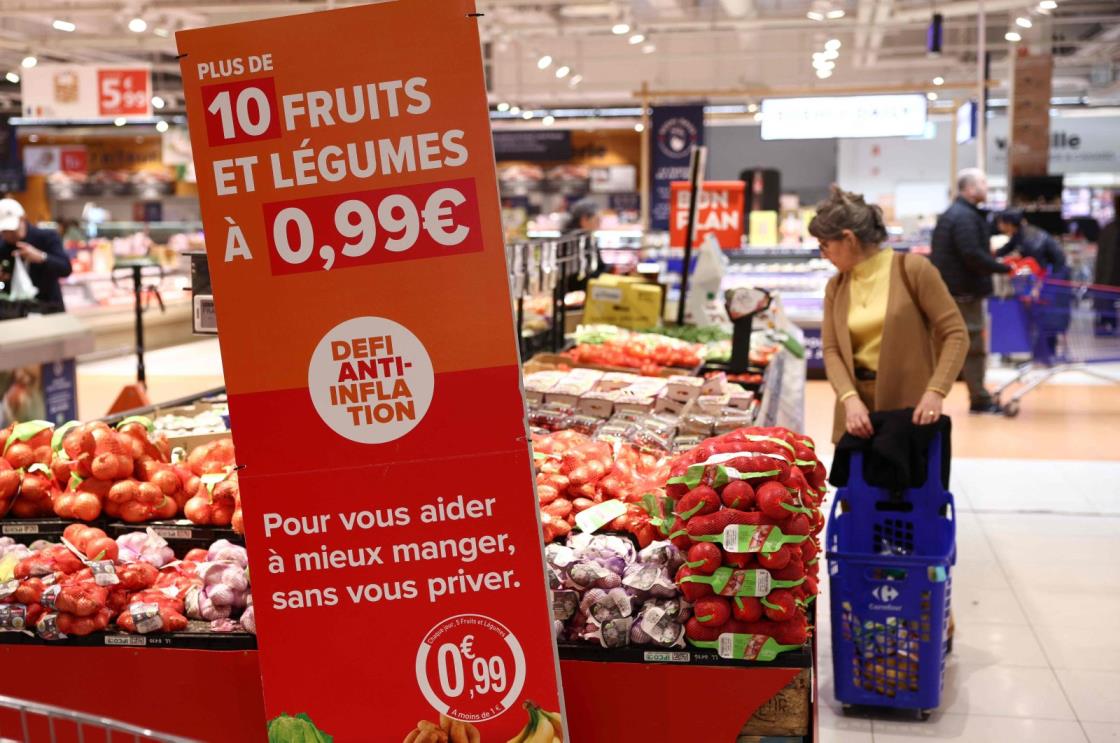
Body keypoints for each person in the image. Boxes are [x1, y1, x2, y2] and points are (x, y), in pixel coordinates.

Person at [814, 186, 968, 443]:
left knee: (907, 482)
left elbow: (956, 333)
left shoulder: (913, 270)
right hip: (856, 418)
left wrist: (936, 391)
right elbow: (831, 350)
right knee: (858, 483)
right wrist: (849, 399)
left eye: (825, 245)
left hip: (911, 413)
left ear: (849, 239)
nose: (823, 254)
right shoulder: (836, 286)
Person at [930, 169, 1011, 413]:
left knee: (947, 345)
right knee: (973, 346)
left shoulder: (958, 214)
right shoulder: (964, 217)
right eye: (983, 183)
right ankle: (979, 398)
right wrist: (1003, 268)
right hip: (963, 293)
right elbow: (972, 254)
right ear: (969, 189)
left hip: (952, 291)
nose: (987, 187)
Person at [0, 198, 72, 314]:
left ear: (23, 219)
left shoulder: (47, 237)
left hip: (49, 309)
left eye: (12, 229)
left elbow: (66, 269)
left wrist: (42, 257)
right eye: (4, 231)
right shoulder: (3, 247)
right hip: (15, 312)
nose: (8, 235)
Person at [995, 209, 1067, 275]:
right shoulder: (1018, 233)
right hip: (1048, 270)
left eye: (1000, 222)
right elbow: (1006, 248)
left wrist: (1037, 287)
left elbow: (1039, 266)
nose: (998, 225)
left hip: (1056, 273)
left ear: (1009, 224)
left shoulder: (1029, 238)